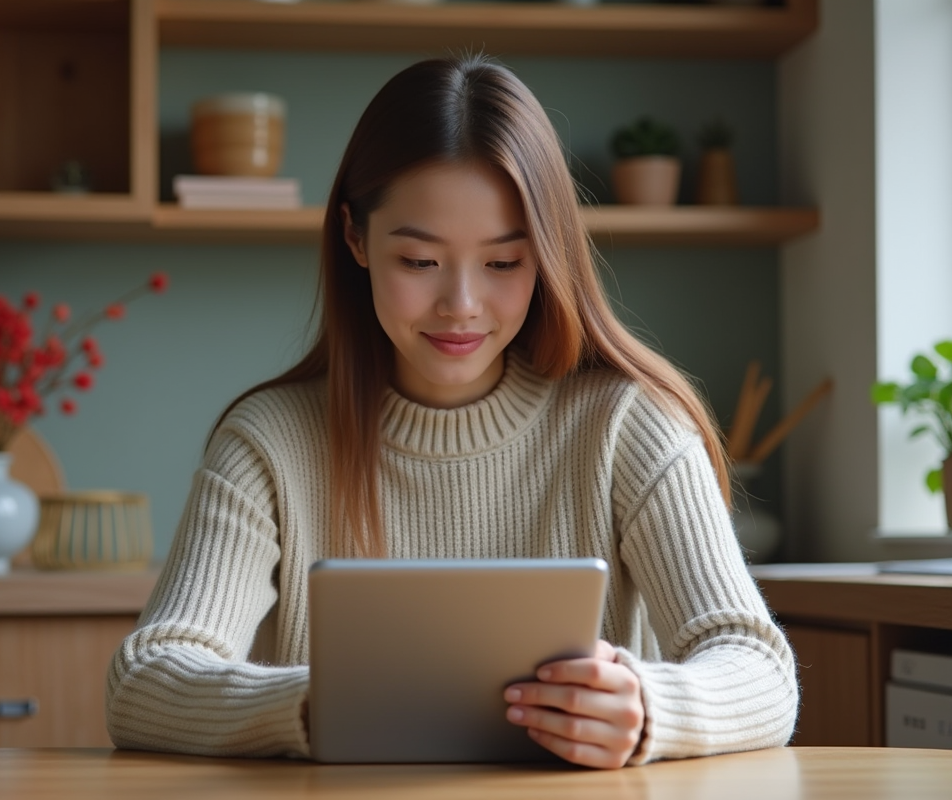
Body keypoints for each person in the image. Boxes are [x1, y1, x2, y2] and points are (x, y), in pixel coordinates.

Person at [105, 53, 798, 769]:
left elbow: (760, 670)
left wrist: (650, 708)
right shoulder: (269, 444)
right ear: (355, 238)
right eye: (419, 261)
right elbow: (145, 680)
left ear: (548, 255)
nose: (461, 305)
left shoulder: (630, 426)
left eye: (503, 263)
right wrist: (319, 706)